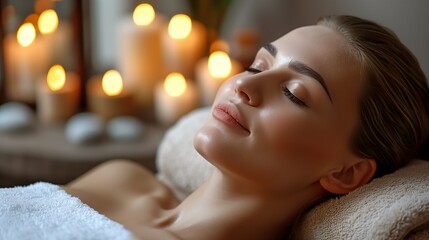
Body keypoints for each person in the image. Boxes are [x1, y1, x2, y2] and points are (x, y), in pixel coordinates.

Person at [63, 15, 429, 240]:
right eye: (257, 65)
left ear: (347, 173)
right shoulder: (121, 179)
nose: (243, 85)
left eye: (293, 94)